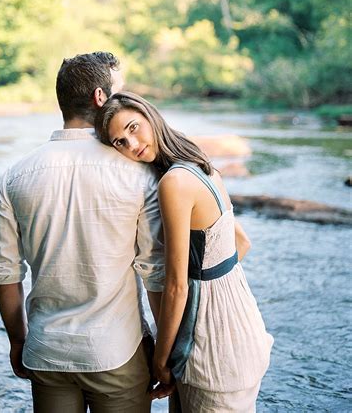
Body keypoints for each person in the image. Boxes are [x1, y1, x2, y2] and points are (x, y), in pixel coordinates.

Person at [0, 53, 165, 413]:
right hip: (116, 351)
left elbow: (5, 273)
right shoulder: (137, 173)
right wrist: (163, 353)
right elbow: (155, 274)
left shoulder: (16, 175)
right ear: (101, 98)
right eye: (120, 92)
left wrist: (18, 341)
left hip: (46, 351)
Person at [95, 92, 274, 412]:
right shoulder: (197, 162)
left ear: (150, 116)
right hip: (243, 325)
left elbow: (176, 286)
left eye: (134, 128)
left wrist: (161, 362)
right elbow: (241, 242)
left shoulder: (174, 183)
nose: (132, 145)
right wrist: (212, 285)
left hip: (211, 346)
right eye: (120, 142)